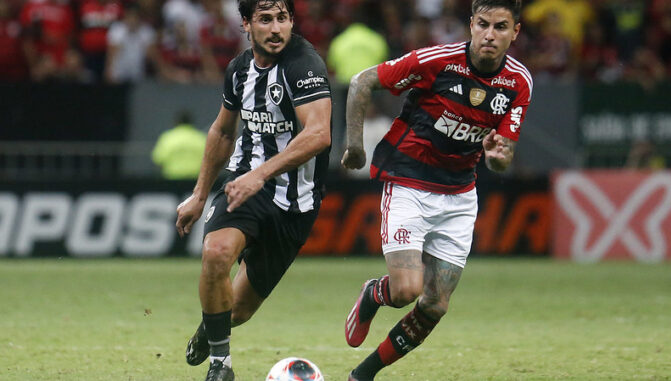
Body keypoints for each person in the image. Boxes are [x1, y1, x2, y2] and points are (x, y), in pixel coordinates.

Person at [340, 1, 532, 380]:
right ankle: (375, 293)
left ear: (516, 32)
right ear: (471, 25)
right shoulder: (439, 61)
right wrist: (355, 145)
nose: (490, 35)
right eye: (483, 24)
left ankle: (364, 373)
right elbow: (363, 81)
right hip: (410, 180)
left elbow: (500, 159)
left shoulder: (519, 82)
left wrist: (497, 156)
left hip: (460, 194)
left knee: (435, 305)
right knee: (407, 289)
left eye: (500, 26)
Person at [174, 1, 332, 380]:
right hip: (243, 185)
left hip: (295, 201)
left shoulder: (303, 66)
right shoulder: (239, 69)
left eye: (282, 19)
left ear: (292, 21)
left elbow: (319, 134)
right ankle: (220, 366)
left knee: (238, 312)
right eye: (265, 20)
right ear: (246, 24)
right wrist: (199, 195)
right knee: (216, 254)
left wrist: (261, 174)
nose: (276, 29)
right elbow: (224, 131)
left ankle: (211, 329)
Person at [152, 110, 207, 180]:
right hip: (195, 181)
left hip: (171, 181)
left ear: (176, 122)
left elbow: (158, 160)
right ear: (191, 122)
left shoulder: (167, 138)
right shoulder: (201, 138)